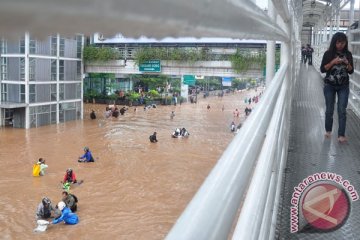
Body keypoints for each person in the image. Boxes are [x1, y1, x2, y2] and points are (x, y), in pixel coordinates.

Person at [320, 32, 353, 143]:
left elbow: (351, 71)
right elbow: (323, 69)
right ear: (335, 42)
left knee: (342, 110)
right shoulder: (328, 54)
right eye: (339, 42)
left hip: (344, 86)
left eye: (343, 43)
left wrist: (347, 63)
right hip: (330, 85)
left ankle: (341, 135)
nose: (340, 45)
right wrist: (333, 62)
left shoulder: (348, 54)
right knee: (329, 109)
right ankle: (328, 130)